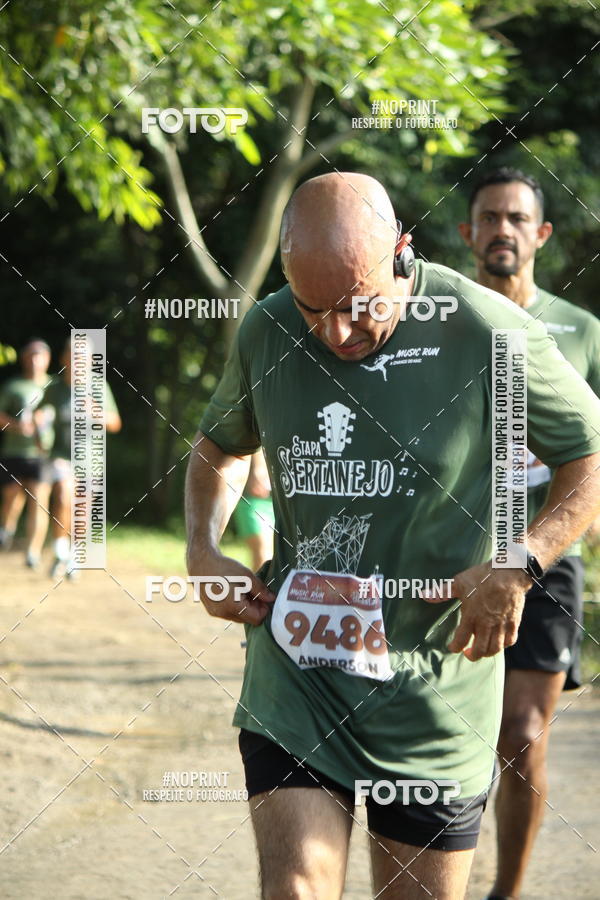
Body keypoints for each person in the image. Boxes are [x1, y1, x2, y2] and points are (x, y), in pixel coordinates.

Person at [185, 172, 600, 899]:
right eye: (315, 309)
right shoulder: (270, 329)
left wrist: (519, 563)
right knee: (295, 888)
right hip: (301, 674)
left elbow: (587, 455)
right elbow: (221, 445)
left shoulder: (484, 330)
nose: (337, 332)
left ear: (401, 253)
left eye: (357, 305)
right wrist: (201, 545)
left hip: (434, 686)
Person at [458, 167, 600, 900]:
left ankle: (505, 893)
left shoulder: (581, 331)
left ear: (541, 234)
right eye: (490, 218)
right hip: (452, 554)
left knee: (519, 736)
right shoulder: (441, 319)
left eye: (518, 218)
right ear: (468, 233)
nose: (503, 230)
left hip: (545, 559)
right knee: (441, 737)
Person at [41, 338, 121, 578]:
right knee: (64, 496)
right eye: (73, 355)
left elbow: (115, 423)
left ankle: (74, 556)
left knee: (82, 510)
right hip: (60, 456)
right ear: (64, 358)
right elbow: (39, 417)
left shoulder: (98, 386)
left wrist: (95, 412)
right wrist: (38, 423)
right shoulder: (54, 389)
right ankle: (59, 552)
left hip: (89, 460)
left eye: (83, 357)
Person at [0, 338, 52, 567]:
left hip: (43, 454)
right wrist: (16, 426)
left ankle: (33, 551)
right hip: (14, 451)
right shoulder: (12, 386)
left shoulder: (56, 386)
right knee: (12, 498)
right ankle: (6, 531)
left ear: (48, 359)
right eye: (30, 356)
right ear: (24, 359)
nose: (34, 361)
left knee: (39, 500)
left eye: (39, 356)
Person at [233, 448, 274, 571]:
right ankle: (257, 590)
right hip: (252, 497)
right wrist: (258, 467)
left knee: (274, 558)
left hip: (280, 498)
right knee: (263, 555)